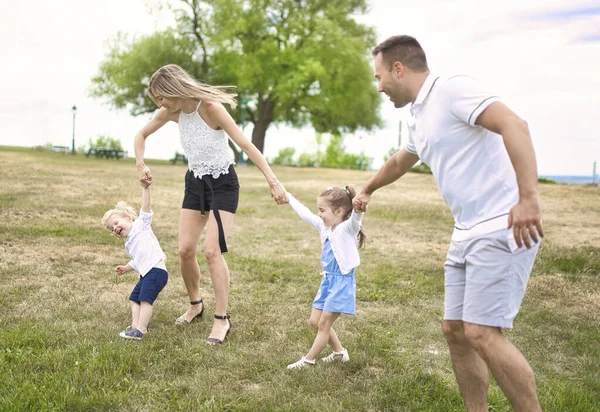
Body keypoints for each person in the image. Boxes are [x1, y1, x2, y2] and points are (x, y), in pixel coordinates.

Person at [353, 35, 544, 411]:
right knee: (455, 331)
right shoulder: (418, 116)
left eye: (379, 78)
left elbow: (514, 125)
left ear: (399, 68)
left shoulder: (452, 90)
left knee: (482, 333)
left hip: (501, 223)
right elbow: (400, 161)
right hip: (466, 231)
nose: (379, 88)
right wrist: (369, 188)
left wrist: (528, 198)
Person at [134, 64, 287, 345]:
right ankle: (195, 304)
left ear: (172, 90)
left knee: (212, 251)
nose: (160, 104)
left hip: (223, 185)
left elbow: (247, 146)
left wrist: (273, 181)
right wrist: (140, 163)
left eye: (161, 97)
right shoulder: (172, 112)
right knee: (184, 250)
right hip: (195, 184)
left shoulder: (212, 109)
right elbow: (141, 135)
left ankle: (221, 318)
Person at [284, 185, 366, 369]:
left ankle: (308, 360)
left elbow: (355, 221)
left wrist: (359, 212)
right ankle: (339, 353)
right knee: (314, 321)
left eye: (322, 210)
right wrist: (288, 196)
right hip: (328, 281)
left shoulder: (347, 229)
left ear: (338, 211)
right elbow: (305, 214)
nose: (319, 214)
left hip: (342, 283)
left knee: (323, 324)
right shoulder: (325, 227)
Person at [101, 186, 169, 341]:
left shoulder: (140, 224)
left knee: (145, 299)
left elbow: (146, 206)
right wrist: (126, 268)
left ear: (129, 218)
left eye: (117, 223)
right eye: (112, 229)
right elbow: (138, 260)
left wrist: (146, 189)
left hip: (156, 270)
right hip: (145, 274)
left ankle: (141, 330)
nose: (115, 228)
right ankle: (134, 326)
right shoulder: (128, 243)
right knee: (134, 298)